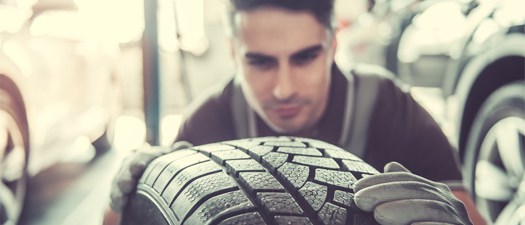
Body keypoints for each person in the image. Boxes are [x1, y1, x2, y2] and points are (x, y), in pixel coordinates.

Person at [104, 0, 486, 224]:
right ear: (235, 53)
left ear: (332, 43)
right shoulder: (209, 120)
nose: (284, 88)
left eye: (304, 58)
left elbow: (471, 209)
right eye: (261, 62)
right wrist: (126, 197)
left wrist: (455, 219)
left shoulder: (387, 104)